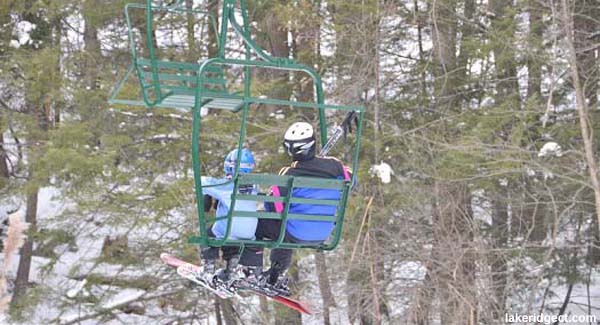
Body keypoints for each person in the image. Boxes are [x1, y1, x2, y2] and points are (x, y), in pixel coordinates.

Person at [238, 122, 351, 292]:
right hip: (323, 232)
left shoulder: (289, 174)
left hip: (295, 231)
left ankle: (251, 271)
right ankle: (276, 275)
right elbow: (351, 179)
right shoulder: (335, 166)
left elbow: (273, 206)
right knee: (286, 225)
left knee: (257, 223)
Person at [200, 148, 258, 284]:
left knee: (209, 233)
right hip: (249, 233)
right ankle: (231, 267)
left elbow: (201, 182)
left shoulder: (225, 186)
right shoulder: (255, 186)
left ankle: (208, 267)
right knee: (231, 231)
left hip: (228, 230)